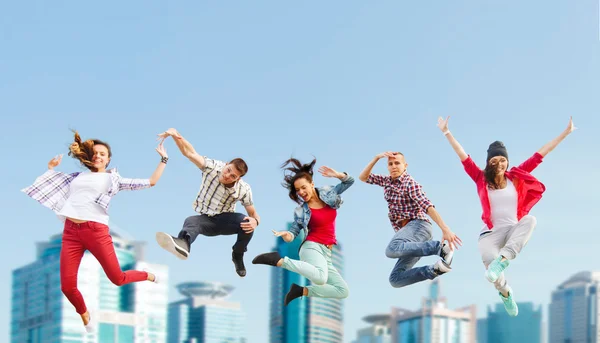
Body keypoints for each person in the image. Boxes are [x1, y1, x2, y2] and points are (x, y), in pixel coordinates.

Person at [21, 131, 166, 332]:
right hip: (71, 232)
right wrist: (51, 168)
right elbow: (54, 185)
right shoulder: (77, 177)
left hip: (96, 231)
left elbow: (151, 182)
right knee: (67, 287)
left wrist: (163, 159)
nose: (98, 156)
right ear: (90, 157)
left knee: (118, 279)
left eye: (102, 154)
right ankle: (84, 313)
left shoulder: (113, 180)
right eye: (95, 153)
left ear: (108, 159)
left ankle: (147, 275)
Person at [436, 116, 576, 316]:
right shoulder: (479, 178)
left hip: (512, 231)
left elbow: (541, 154)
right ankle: (506, 292)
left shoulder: (516, 175)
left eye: (503, 160)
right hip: (490, 234)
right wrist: (446, 132)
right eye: (495, 160)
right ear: (489, 163)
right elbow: (463, 156)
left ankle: (504, 259)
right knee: (490, 271)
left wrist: (566, 133)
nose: (499, 164)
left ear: (507, 162)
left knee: (530, 220)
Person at [154, 128, 260, 277]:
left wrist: (255, 221)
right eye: (228, 170)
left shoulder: (243, 189)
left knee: (247, 222)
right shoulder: (212, 167)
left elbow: (253, 213)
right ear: (226, 164)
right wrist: (176, 135)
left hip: (226, 220)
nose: (227, 175)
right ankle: (183, 243)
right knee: (190, 221)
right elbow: (189, 153)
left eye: (233, 176)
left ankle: (238, 254)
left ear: (238, 179)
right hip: (207, 221)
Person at [252, 158, 353, 306]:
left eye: (303, 187)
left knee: (343, 291)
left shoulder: (328, 193)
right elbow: (293, 232)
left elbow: (349, 182)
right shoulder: (301, 210)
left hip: (327, 252)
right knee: (320, 278)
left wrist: (338, 174)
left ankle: (300, 291)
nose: (301, 192)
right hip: (311, 247)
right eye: (298, 190)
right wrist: (287, 235)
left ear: (312, 184)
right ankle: (278, 260)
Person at [359, 151, 462, 289]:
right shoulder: (387, 181)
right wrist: (376, 158)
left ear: (405, 165)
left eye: (397, 163)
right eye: (390, 164)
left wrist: (445, 229)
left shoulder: (410, 183)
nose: (394, 166)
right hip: (411, 238)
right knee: (395, 279)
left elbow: (427, 206)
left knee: (392, 249)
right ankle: (435, 270)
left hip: (419, 226)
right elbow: (363, 177)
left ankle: (439, 248)